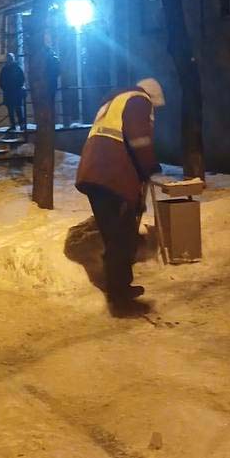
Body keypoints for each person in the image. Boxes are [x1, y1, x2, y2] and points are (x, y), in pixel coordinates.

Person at [75, 76, 165, 309]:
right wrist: (150, 165)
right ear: (152, 97)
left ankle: (118, 286)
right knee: (123, 236)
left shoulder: (114, 101)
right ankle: (119, 296)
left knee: (113, 235)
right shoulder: (138, 100)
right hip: (111, 174)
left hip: (93, 173)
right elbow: (139, 138)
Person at [0, 52, 26, 131]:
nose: (9, 60)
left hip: (15, 91)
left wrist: (17, 86)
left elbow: (22, 79)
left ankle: (21, 124)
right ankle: (13, 125)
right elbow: (0, 80)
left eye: (10, 58)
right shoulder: (5, 69)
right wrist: (4, 88)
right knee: (11, 110)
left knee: (18, 108)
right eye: (8, 59)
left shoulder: (16, 68)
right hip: (9, 92)